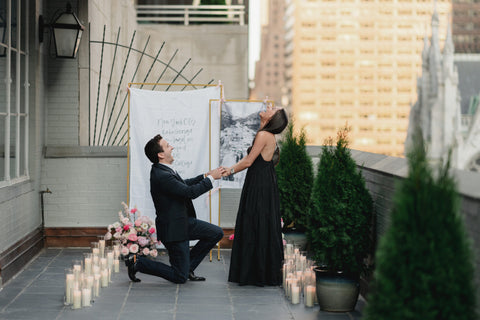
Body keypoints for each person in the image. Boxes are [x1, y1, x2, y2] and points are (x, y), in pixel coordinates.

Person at [125, 134, 225, 283]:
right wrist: (211, 179)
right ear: (160, 154)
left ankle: (188, 267)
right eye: (167, 146)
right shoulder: (161, 175)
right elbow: (189, 193)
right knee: (179, 277)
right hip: (173, 230)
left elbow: (183, 184)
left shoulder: (164, 170)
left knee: (215, 233)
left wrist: (206, 175)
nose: (172, 147)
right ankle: (138, 263)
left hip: (183, 222)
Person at [223, 104, 288, 286]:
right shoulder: (266, 134)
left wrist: (229, 170)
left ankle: (253, 272)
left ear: (272, 118)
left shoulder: (263, 135)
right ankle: (260, 271)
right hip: (263, 181)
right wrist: (262, 121)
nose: (269, 106)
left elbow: (249, 160)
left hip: (259, 183)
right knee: (259, 222)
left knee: (254, 220)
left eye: (272, 109)